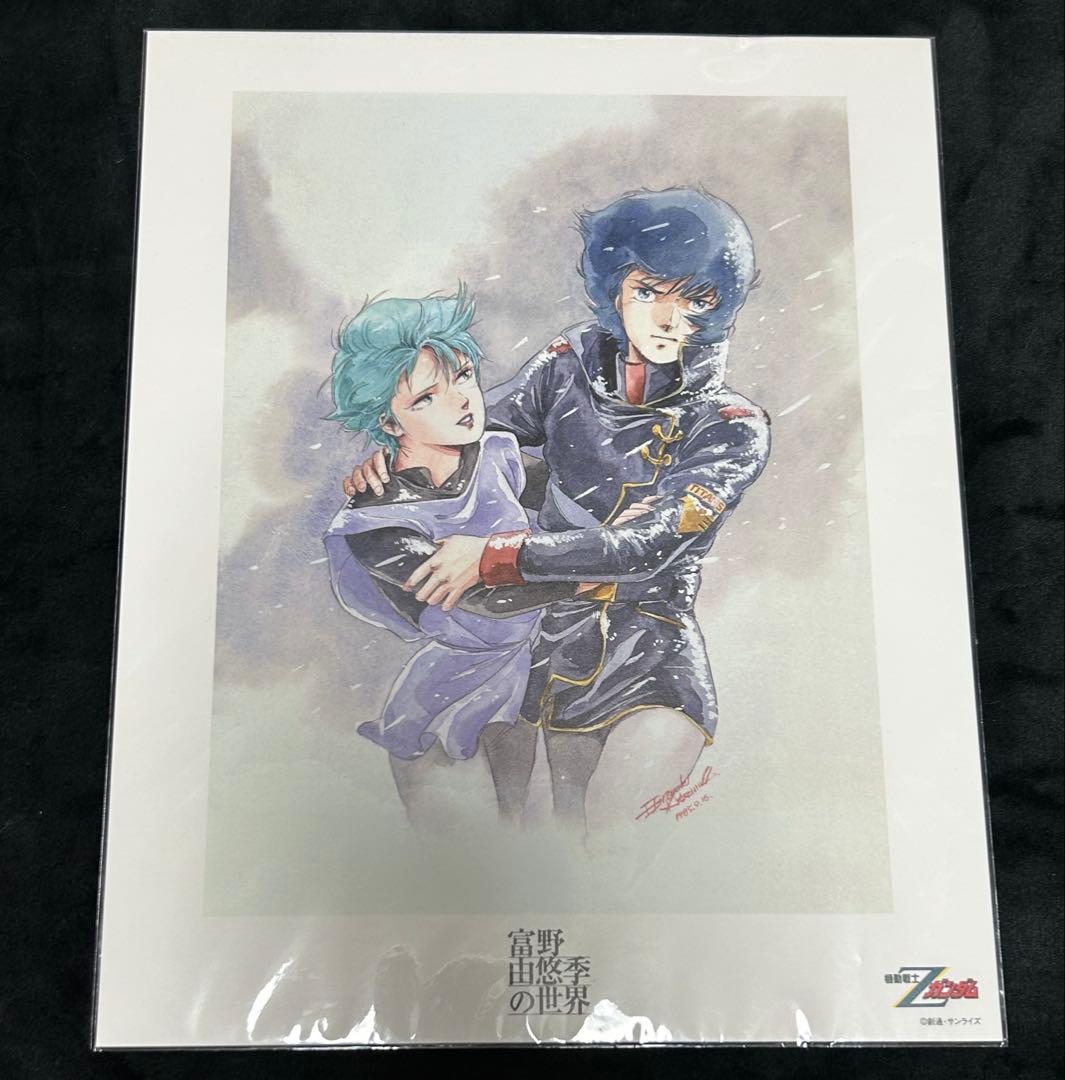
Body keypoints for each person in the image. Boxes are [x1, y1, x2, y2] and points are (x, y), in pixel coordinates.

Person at [343, 188, 771, 831]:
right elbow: (477, 433)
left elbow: (643, 549)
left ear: (721, 305)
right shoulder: (571, 361)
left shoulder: (731, 425)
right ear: (615, 289)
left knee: (609, 845)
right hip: (530, 658)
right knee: (513, 845)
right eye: (648, 291)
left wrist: (494, 556)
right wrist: (396, 460)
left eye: (696, 299)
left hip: (647, 659)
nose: (668, 318)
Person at [323, 288, 584, 827]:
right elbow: (486, 599)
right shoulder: (378, 519)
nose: (462, 400)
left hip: (528, 673)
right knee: (457, 846)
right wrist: (592, 578)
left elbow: (572, 503)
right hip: (448, 690)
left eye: (463, 376)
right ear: (389, 423)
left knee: (528, 834)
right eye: (426, 398)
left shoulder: (496, 454)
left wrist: (622, 525)